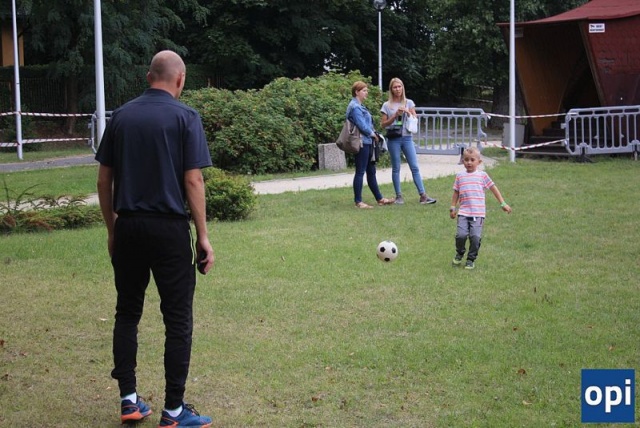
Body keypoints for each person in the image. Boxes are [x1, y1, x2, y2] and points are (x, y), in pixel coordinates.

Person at [95, 50, 214, 427]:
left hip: (129, 226)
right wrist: (203, 236)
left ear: (149, 77)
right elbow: (193, 179)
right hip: (169, 230)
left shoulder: (121, 116)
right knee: (177, 319)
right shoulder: (186, 117)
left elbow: (103, 180)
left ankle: (129, 400)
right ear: (180, 79)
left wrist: (113, 229)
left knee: (127, 311)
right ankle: (174, 410)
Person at [449, 147, 511, 270]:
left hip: (478, 214)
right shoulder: (460, 176)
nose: (469, 162)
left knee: (475, 237)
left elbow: (493, 188)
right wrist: (452, 207)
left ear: (479, 162)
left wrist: (503, 203)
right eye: (466, 160)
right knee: (461, 235)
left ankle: (471, 259)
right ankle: (459, 253)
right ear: (462, 161)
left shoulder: (482, 176)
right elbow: (456, 192)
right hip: (463, 213)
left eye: (472, 160)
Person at [380, 78, 436, 205]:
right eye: (395, 87)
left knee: (414, 166)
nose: (397, 89)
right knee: (396, 167)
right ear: (391, 89)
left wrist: (408, 112)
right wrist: (395, 115)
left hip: (407, 138)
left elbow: (415, 119)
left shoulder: (409, 102)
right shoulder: (386, 105)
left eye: (399, 86)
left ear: (403, 87)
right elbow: (383, 124)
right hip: (394, 138)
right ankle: (399, 196)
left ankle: (423, 195)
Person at [347, 81, 395, 209]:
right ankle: (358, 202)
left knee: (371, 171)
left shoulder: (360, 106)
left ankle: (380, 199)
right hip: (361, 142)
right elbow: (361, 125)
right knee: (360, 172)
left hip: (368, 142)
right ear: (356, 92)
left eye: (366, 90)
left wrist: (373, 135)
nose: (366, 92)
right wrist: (373, 134)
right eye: (364, 90)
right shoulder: (355, 107)